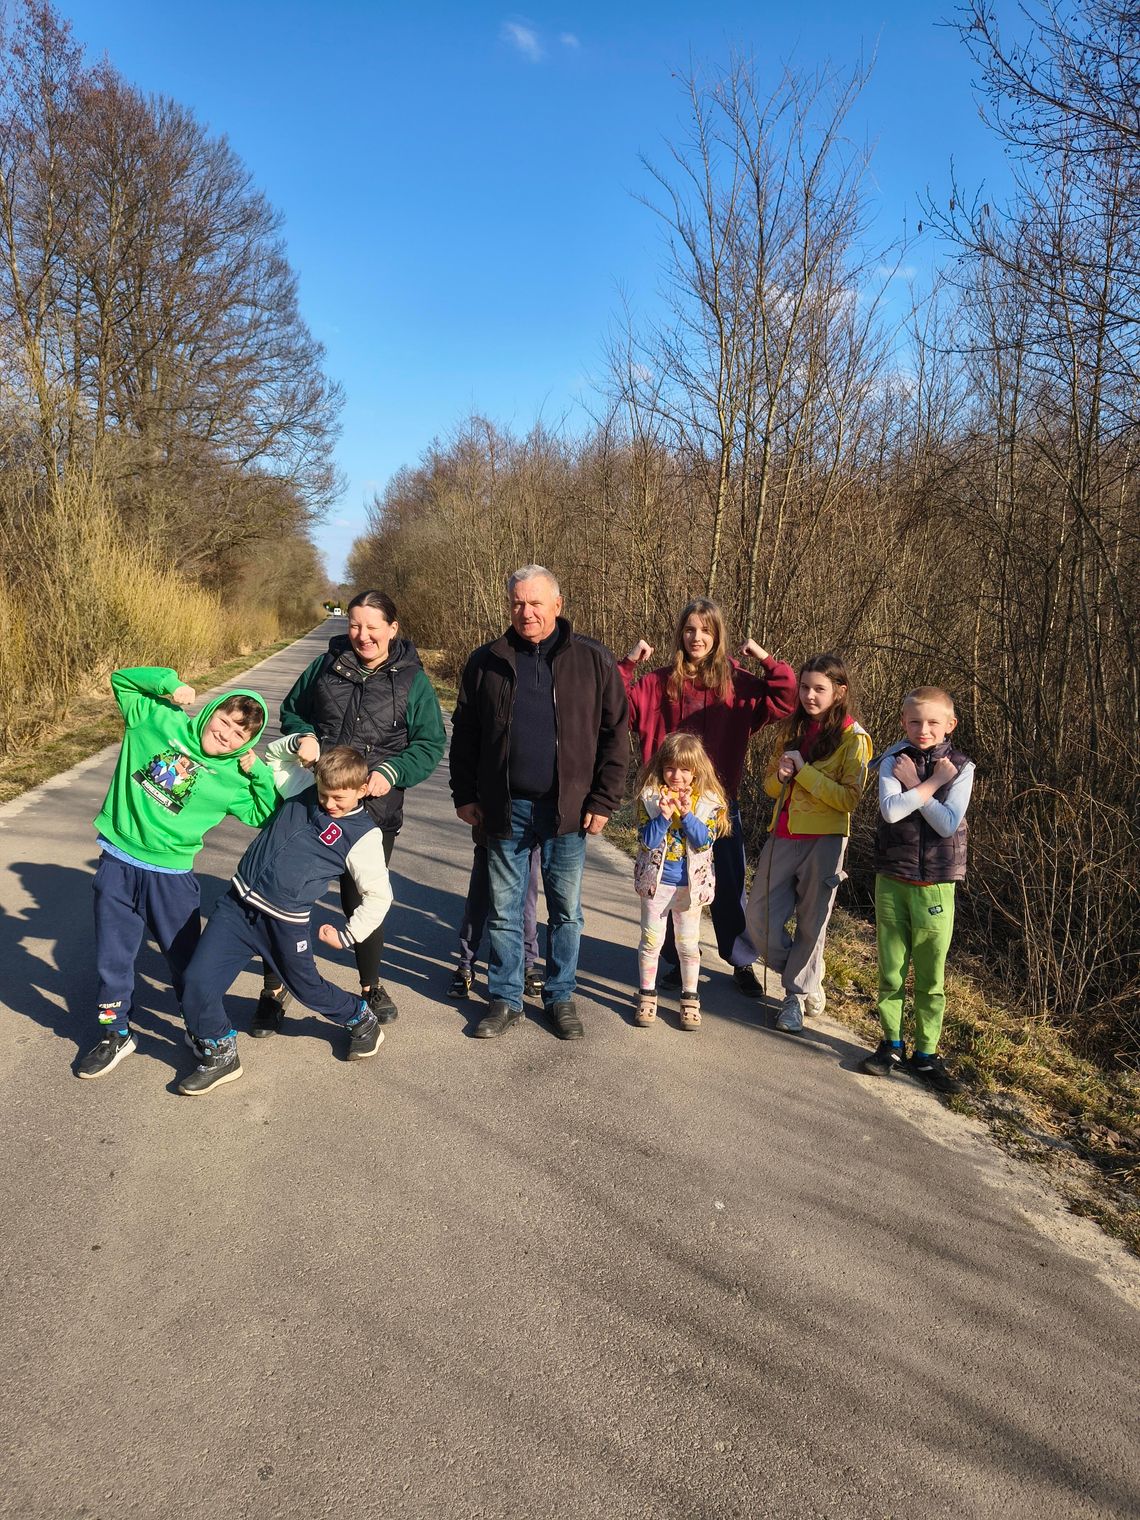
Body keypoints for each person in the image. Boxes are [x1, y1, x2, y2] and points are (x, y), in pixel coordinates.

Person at [449, 565, 628, 1040]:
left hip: (567, 811)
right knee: (505, 911)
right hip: (504, 808)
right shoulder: (486, 660)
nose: (525, 612)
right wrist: (465, 795)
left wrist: (604, 799)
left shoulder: (593, 660)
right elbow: (464, 735)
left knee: (566, 911)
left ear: (557, 605)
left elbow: (616, 736)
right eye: (517, 603)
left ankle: (560, 995)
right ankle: (505, 999)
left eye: (534, 603)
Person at [254, 589, 445, 1035]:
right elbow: (293, 711)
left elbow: (430, 743)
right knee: (283, 893)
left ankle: (369, 986)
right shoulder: (324, 666)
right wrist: (303, 737)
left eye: (372, 628)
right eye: (355, 626)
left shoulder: (413, 680)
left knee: (361, 897)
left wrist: (393, 772)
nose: (362, 636)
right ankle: (273, 989)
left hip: (373, 810)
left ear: (393, 630)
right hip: (312, 802)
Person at [77, 669, 275, 1079]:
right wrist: (169, 684)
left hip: (171, 878)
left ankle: (200, 1029)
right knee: (113, 958)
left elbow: (266, 813)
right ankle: (115, 1033)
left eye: (240, 735)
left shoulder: (234, 778)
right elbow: (123, 681)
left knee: (186, 963)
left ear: (248, 743)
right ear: (211, 712)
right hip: (118, 861)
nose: (226, 735)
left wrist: (258, 772)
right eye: (224, 720)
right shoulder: (156, 719)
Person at [178, 739, 393, 1095]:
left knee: (308, 989)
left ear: (362, 788)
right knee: (196, 983)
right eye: (325, 794)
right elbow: (276, 757)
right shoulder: (304, 789)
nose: (328, 803)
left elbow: (379, 895)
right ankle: (220, 1051)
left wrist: (347, 935)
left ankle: (359, 1017)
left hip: (284, 922)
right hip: (237, 907)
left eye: (339, 798)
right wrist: (299, 742)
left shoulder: (363, 835)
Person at [621, 599, 795, 997]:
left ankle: (740, 962)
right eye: (689, 630)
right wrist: (629, 664)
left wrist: (766, 659)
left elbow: (786, 697)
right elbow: (613, 704)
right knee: (668, 883)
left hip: (716, 804)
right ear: (680, 635)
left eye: (705, 631)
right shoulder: (658, 684)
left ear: (717, 637)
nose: (696, 638)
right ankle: (671, 961)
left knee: (730, 886)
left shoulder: (736, 686)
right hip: (665, 808)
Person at [743, 652, 871, 1033]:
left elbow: (849, 799)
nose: (809, 696)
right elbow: (769, 786)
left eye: (820, 689)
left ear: (840, 691)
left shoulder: (855, 738)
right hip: (782, 834)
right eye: (805, 687)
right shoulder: (790, 730)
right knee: (758, 918)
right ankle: (807, 974)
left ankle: (794, 998)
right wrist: (781, 776)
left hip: (826, 841)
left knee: (813, 924)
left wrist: (806, 771)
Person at [858, 687, 974, 1093]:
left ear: (950, 725)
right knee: (890, 971)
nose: (923, 730)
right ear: (903, 722)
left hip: (937, 886)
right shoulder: (894, 760)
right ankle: (890, 1044)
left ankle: (925, 1055)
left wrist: (924, 784)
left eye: (932, 722)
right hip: (892, 878)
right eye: (914, 722)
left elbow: (947, 823)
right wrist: (927, 784)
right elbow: (890, 812)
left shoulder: (961, 767)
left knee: (931, 976)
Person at [633, 732, 730, 1032]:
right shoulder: (650, 799)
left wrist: (687, 815)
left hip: (690, 888)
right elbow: (646, 841)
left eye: (685, 769)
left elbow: (705, 842)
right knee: (651, 941)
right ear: (661, 768)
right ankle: (647, 996)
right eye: (670, 768)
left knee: (688, 944)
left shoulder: (708, 803)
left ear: (696, 771)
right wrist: (662, 817)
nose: (677, 777)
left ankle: (690, 998)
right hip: (656, 885)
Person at [449, 834, 544, 1000]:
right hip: (490, 835)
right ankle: (466, 964)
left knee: (527, 908)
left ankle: (527, 965)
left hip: (528, 841)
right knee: (477, 906)